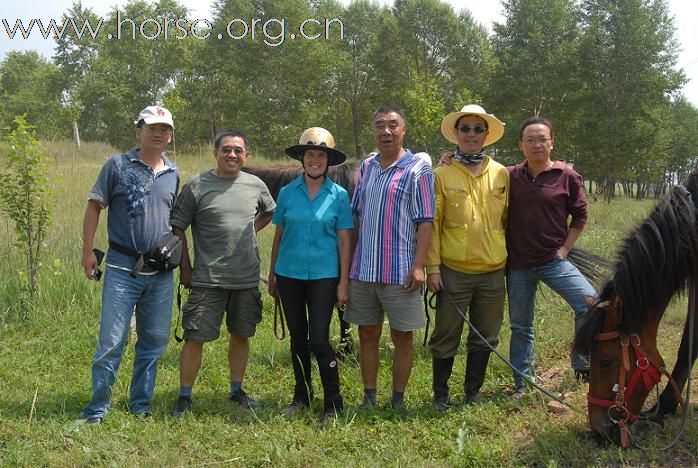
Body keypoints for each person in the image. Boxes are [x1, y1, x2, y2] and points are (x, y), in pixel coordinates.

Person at [81, 105, 179, 423]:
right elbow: (95, 206)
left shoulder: (173, 173)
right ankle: (97, 409)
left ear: (170, 136)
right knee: (111, 342)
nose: (158, 133)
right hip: (122, 270)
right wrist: (87, 252)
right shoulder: (117, 165)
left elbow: (177, 225)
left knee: (153, 343)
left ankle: (140, 404)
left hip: (161, 275)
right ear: (138, 131)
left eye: (164, 129)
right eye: (151, 127)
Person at [170, 129, 275, 417]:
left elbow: (269, 212)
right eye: (226, 149)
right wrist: (186, 266)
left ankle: (236, 389)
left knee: (242, 334)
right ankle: (184, 396)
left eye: (238, 150)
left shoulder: (255, 185)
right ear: (215, 152)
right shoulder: (196, 186)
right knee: (195, 337)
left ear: (247, 155)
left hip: (245, 277)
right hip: (207, 278)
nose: (232, 155)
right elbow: (178, 226)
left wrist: (250, 230)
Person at [345, 106, 435, 410]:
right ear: (373, 131)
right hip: (364, 269)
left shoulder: (417, 169)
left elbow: (426, 220)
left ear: (403, 130)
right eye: (380, 125)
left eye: (393, 125)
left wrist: (419, 265)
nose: (386, 131)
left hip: (401, 270)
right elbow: (356, 215)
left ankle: (398, 400)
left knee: (402, 337)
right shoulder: (367, 167)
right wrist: (348, 268)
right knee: (367, 333)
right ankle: (369, 397)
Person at [426, 104, 509, 410]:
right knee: (445, 334)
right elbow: (432, 226)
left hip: (493, 272)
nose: (471, 134)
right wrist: (432, 269)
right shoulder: (441, 174)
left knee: (486, 335)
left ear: (487, 134)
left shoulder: (502, 174)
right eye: (465, 129)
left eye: (478, 129)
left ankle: (472, 393)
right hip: (453, 272)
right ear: (456, 134)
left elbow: (508, 220)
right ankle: (441, 395)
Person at [506, 117, 595, 398]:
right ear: (521, 145)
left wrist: (565, 249)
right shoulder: (508, 175)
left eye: (542, 139)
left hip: (553, 261)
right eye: (530, 139)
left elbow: (580, 216)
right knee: (521, 325)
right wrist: (448, 159)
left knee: (589, 304)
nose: (536, 144)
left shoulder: (567, 177)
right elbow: (477, 170)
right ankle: (524, 382)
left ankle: (582, 365)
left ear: (551, 143)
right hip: (518, 265)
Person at [267, 127, 353, 419]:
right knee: (297, 338)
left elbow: (344, 241)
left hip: (324, 276)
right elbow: (278, 236)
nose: (315, 160)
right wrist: (273, 274)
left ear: (328, 161)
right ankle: (302, 396)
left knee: (319, 339)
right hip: (288, 274)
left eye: (321, 155)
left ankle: (333, 401)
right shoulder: (287, 193)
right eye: (310, 154)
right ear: (302, 159)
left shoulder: (340, 196)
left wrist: (343, 282)